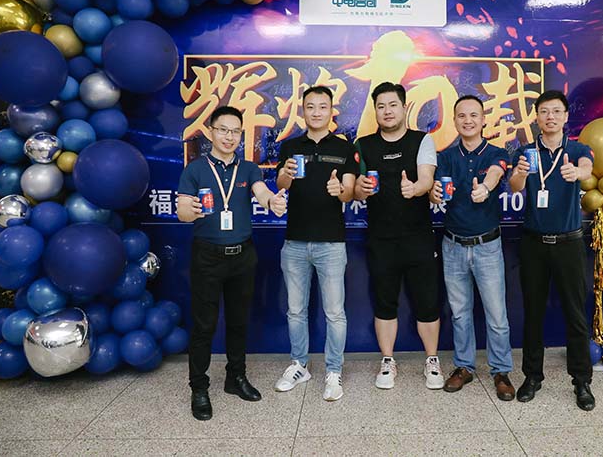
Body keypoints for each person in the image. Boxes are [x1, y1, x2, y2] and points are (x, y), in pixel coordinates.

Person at [177, 106, 287, 421]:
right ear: (211, 132)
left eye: (235, 131)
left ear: (241, 135)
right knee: (204, 325)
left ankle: (235, 377)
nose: (229, 137)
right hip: (207, 256)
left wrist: (273, 201)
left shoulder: (248, 168)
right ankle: (199, 387)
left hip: (242, 256)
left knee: (239, 321)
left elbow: (262, 193)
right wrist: (190, 211)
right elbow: (182, 211)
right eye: (223, 130)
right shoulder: (195, 169)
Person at [508, 89, 596, 411]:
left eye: (556, 111)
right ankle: (532, 376)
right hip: (533, 243)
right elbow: (515, 187)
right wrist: (520, 174)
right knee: (533, 313)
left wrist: (578, 173)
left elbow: (587, 168)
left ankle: (581, 380)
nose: (550, 117)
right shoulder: (525, 151)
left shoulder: (577, 149)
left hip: (569, 243)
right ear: (536, 117)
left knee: (575, 313)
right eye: (544, 111)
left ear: (565, 116)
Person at [353, 81, 444, 390]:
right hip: (381, 239)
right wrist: (360, 189)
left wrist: (415, 188)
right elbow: (355, 188)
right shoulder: (363, 145)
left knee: (427, 302)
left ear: (404, 108)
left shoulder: (422, 140)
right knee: (384, 303)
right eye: (381, 106)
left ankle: (432, 360)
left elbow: (427, 179)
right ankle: (387, 360)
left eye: (393, 105)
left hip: (418, 237)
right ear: (375, 111)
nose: (387, 111)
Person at [273, 86, 357, 401]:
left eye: (323, 106)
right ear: (303, 110)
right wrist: (286, 174)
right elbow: (280, 184)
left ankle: (334, 370)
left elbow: (350, 191)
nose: (317, 112)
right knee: (295, 310)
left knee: (335, 312)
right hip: (295, 241)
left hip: (331, 243)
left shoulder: (344, 147)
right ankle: (299, 365)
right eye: (311, 107)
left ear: (331, 111)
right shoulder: (290, 146)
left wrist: (340, 190)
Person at [430, 95, 515, 401]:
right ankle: (464, 367)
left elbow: (496, 171)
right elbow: (435, 190)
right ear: (454, 120)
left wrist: (486, 188)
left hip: (487, 247)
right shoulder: (445, 157)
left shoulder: (496, 152)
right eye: (462, 116)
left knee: (496, 315)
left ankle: (501, 371)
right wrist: (434, 194)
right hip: (453, 246)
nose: (468, 120)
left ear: (483, 120)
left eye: (474, 115)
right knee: (460, 313)